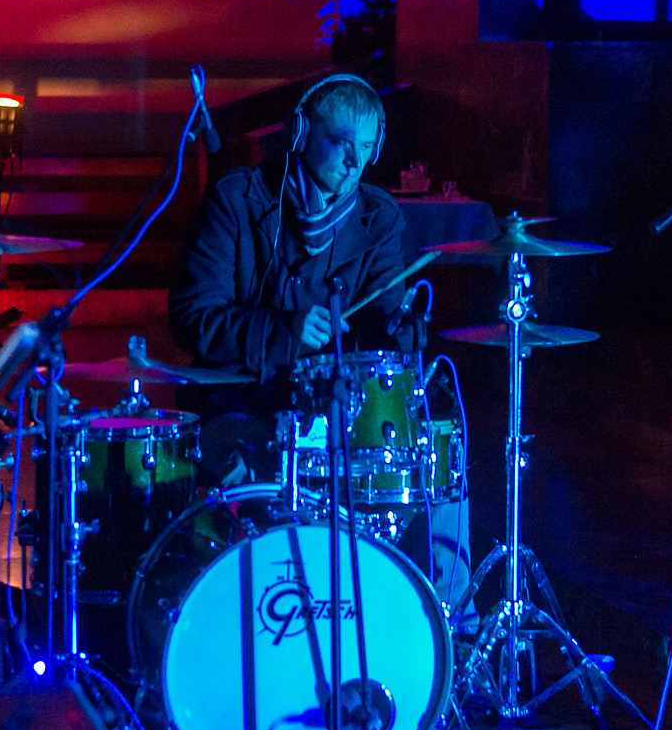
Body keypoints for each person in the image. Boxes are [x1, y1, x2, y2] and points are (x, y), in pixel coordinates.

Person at [168, 74, 476, 628]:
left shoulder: (379, 218)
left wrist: (403, 331)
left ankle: (448, 630)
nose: (355, 161)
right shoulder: (236, 200)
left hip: (334, 415)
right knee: (243, 483)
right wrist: (282, 332)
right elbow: (192, 318)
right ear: (301, 134)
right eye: (341, 142)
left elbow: (383, 334)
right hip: (241, 401)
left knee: (434, 451)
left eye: (367, 148)